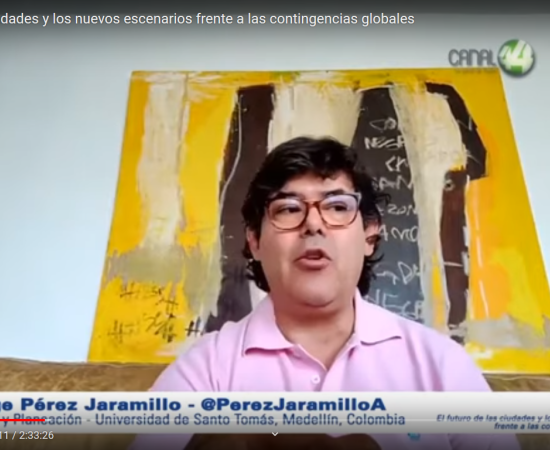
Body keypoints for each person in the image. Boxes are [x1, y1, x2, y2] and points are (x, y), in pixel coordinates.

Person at [130, 137, 520, 450]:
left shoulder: (440, 365)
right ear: (255, 241)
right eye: (288, 209)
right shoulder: (205, 371)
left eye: (337, 207)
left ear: (369, 235)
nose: (313, 224)